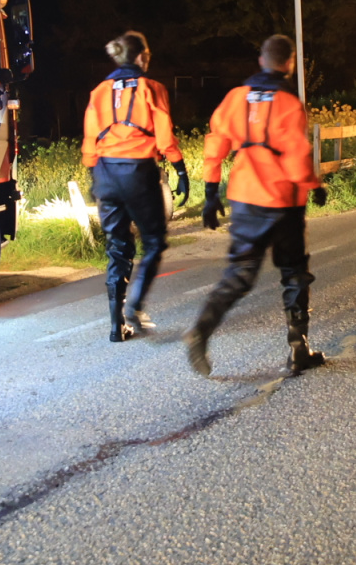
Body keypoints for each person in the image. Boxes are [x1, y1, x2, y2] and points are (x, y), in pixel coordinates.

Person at [184, 35, 329, 378]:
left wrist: (209, 192)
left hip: (245, 198)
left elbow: (216, 142)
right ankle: (298, 350)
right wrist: (314, 185)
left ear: (261, 61)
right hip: (283, 202)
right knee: (293, 274)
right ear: (289, 63)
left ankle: (200, 331)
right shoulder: (289, 103)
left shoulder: (236, 98)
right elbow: (295, 154)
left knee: (239, 274)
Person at [81, 31, 189, 341]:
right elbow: (165, 136)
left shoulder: (99, 91)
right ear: (141, 57)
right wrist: (180, 168)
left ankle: (117, 326)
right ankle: (135, 305)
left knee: (117, 247)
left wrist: (95, 178)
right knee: (154, 242)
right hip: (139, 173)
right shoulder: (152, 88)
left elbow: (90, 139)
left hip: (105, 172)